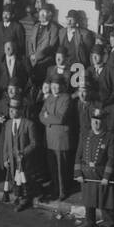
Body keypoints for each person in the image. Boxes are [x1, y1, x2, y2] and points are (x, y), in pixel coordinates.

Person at [75, 106, 114, 227]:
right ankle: (89, 221)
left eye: (99, 120)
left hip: (101, 175)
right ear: (91, 121)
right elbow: (78, 155)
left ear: (104, 121)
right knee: (88, 200)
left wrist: (107, 176)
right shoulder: (85, 135)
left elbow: (112, 158)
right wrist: (78, 173)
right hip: (87, 173)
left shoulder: (109, 137)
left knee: (105, 204)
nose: (96, 123)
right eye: (94, 120)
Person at [40, 73, 74, 209]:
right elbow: (41, 115)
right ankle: (55, 188)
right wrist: (49, 119)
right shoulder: (48, 99)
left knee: (61, 166)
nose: (54, 88)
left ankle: (62, 191)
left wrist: (48, 119)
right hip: (50, 138)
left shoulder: (66, 98)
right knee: (53, 166)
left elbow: (61, 118)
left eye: (57, 85)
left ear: (61, 86)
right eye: (52, 85)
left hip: (60, 138)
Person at [0, 92, 39, 210]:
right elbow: (6, 143)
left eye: (14, 109)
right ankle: (18, 195)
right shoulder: (8, 124)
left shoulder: (29, 124)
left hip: (24, 160)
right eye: (10, 108)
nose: (11, 111)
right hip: (12, 158)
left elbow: (34, 143)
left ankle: (24, 199)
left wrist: (23, 153)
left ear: (21, 110)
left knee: (24, 178)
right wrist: (5, 157)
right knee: (13, 177)